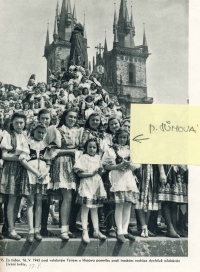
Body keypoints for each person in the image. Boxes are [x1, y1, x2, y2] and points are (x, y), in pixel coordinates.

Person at [45, 109, 83, 240]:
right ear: (64, 117)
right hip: (62, 164)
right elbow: (53, 151)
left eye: (74, 117)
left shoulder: (77, 131)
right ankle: (64, 231)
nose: (72, 119)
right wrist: (72, 151)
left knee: (70, 197)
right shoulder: (57, 130)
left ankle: (66, 227)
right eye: (70, 117)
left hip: (74, 165)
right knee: (67, 196)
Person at [102, 128, 140, 243]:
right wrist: (117, 166)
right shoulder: (111, 150)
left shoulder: (131, 149)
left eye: (125, 137)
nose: (123, 139)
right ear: (116, 138)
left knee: (128, 205)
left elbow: (137, 164)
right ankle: (119, 231)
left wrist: (131, 165)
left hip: (128, 179)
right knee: (119, 205)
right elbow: (104, 165)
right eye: (120, 137)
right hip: (117, 179)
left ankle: (125, 230)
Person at [20, 122, 51, 243]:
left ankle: (37, 230)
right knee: (30, 202)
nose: (41, 134)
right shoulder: (27, 143)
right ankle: (31, 230)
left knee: (39, 202)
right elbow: (23, 160)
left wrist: (44, 173)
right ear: (33, 131)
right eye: (39, 132)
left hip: (42, 177)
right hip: (30, 176)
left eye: (43, 132)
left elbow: (48, 162)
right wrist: (35, 172)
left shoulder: (45, 145)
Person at [0, 112, 29, 240]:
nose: (19, 125)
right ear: (12, 122)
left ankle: (9, 228)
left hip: (22, 169)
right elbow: (5, 155)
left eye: (21, 122)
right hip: (11, 169)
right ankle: (10, 230)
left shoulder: (24, 135)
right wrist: (20, 158)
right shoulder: (8, 135)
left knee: (17, 199)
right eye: (16, 122)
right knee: (11, 199)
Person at [74, 138, 107, 243]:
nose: (92, 149)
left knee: (95, 208)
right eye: (90, 147)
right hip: (87, 183)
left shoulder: (98, 158)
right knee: (85, 208)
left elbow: (100, 172)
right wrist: (91, 174)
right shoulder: (84, 158)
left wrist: (99, 172)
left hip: (96, 184)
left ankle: (96, 230)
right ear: (86, 148)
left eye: (94, 147)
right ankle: (85, 231)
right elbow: (79, 174)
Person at [158, 164, 188, 238]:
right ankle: (169, 227)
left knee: (174, 200)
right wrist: (162, 171)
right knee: (167, 200)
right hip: (167, 169)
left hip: (177, 170)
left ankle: (174, 228)